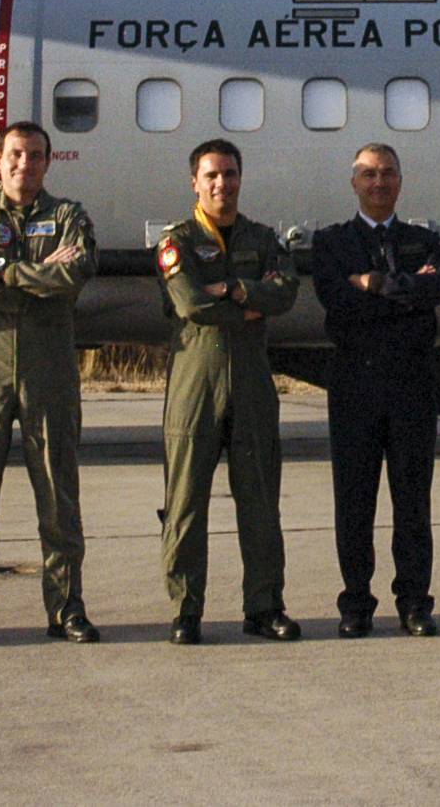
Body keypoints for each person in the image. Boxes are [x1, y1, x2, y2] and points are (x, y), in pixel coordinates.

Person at [0, 121, 99, 646]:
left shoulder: (67, 217)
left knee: (58, 493)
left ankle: (67, 608)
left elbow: (72, 277)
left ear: (48, 163)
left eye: (34, 156)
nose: (23, 165)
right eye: (15, 155)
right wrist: (34, 276)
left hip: (48, 373)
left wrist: (1, 271)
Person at [155, 138, 302, 642]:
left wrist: (235, 289)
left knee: (260, 499)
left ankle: (264, 607)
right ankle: (186, 610)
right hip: (195, 382)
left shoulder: (264, 239)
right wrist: (249, 301)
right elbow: (191, 303)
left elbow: (286, 293)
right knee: (185, 502)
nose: (223, 184)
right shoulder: (176, 241)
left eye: (231, 174)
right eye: (212, 175)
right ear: (194, 182)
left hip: (252, 382)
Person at [306, 143, 440, 638]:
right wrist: (399, 291)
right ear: (354, 183)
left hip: (412, 386)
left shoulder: (423, 240)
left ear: (400, 181)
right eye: (368, 174)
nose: (379, 182)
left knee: (413, 501)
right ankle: (356, 604)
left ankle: (415, 603)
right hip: (355, 386)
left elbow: (433, 292)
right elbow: (335, 300)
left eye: (388, 173)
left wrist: (370, 283)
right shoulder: (330, 243)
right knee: (355, 501)